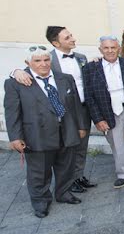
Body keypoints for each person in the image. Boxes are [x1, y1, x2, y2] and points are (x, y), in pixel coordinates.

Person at [5, 45, 88, 217]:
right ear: (28, 63)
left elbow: (75, 105)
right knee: (39, 172)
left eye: (46, 59)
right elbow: (12, 112)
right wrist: (15, 137)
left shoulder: (64, 78)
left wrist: (81, 126)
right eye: (37, 61)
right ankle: (41, 201)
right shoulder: (16, 83)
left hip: (66, 130)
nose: (43, 64)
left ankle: (63, 193)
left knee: (66, 166)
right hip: (37, 134)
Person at [9, 27, 95, 192]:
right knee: (63, 151)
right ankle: (65, 183)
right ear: (56, 43)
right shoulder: (46, 58)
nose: (73, 38)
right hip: (60, 113)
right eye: (68, 37)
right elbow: (30, 70)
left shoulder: (81, 57)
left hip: (81, 108)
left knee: (80, 147)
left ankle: (78, 176)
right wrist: (15, 71)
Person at [83, 36, 124, 188]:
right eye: (106, 48)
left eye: (113, 47)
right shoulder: (90, 68)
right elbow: (89, 96)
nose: (110, 51)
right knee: (117, 144)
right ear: (100, 50)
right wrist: (98, 119)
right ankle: (123, 173)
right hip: (108, 111)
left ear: (119, 48)